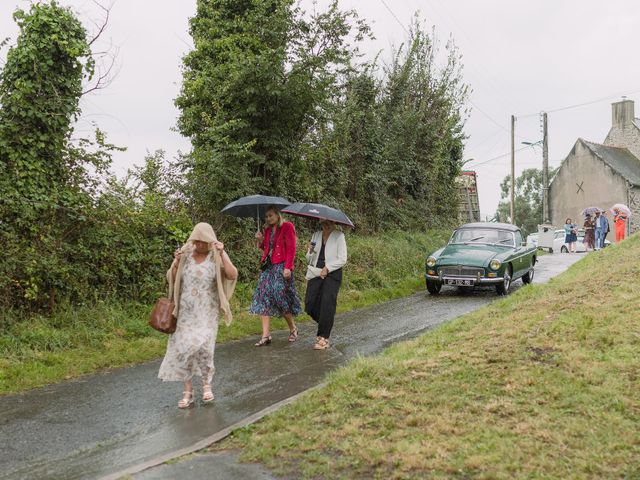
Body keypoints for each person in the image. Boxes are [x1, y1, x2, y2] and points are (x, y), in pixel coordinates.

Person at [158, 223, 238, 408]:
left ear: (210, 241)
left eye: (204, 241)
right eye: (198, 241)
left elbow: (232, 275)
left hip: (207, 312)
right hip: (185, 311)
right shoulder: (185, 255)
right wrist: (176, 262)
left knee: (204, 348)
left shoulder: (215, 256)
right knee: (184, 348)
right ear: (193, 240)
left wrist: (222, 253)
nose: (201, 245)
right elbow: (171, 277)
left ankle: (206, 384)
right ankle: (188, 391)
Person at [250, 206, 302, 346]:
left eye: (270, 215)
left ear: (278, 215)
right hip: (268, 267)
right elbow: (266, 248)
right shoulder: (267, 230)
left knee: (280, 296)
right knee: (263, 297)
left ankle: (293, 328)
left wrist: (288, 267)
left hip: (282, 266)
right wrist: (260, 241)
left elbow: (292, 248)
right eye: (266, 216)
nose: (268, 218)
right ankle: (266, 335)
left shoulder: (287, 226)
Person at [304, 220, 348, 350]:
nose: (327, 224)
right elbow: (309, 258)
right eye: (325, 222)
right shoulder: (316, 235)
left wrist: (328, 268)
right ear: (320, 222)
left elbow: (342, 258)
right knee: (309, 304)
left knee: (327, 304)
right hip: (316, 272)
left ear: (334, 222)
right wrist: (310, 251)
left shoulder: (339, 236)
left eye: (330, 222)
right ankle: (326, 322)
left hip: (333, 273)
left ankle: (323, 337)